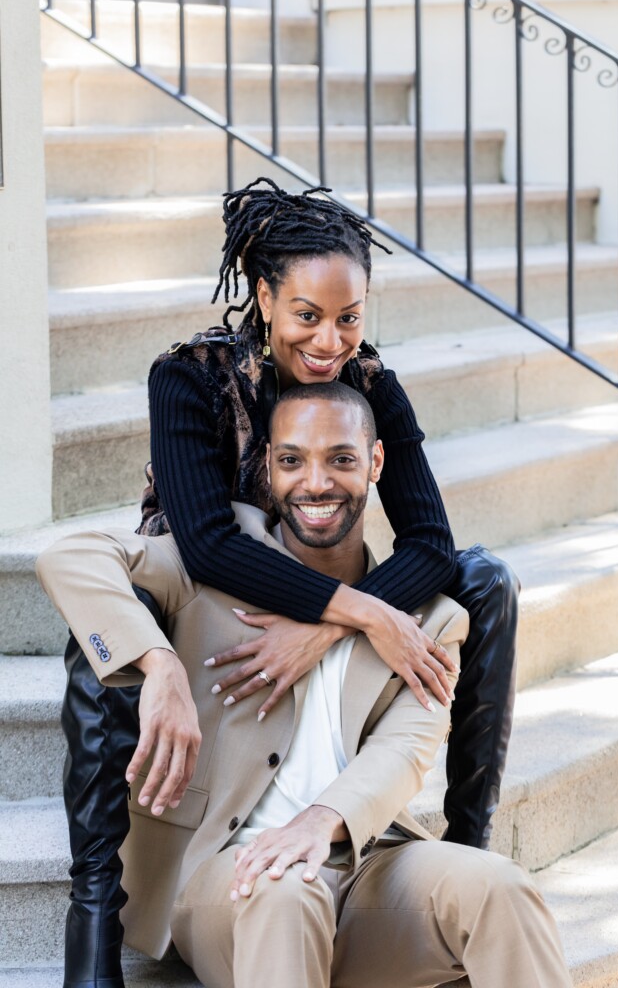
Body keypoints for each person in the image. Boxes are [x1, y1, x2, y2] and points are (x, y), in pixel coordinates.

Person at [56, 178, 518, 988]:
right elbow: (202, 544)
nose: (330, 339)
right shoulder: (190, 376)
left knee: (485, 583)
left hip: (319, 578)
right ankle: (96, 903)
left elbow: (432, 544)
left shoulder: (370, 384)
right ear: (265, 296)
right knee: (105, 633)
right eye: (308, 314)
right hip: (209, 594)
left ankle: (465, 840)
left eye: (349, 317)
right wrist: (166, 661)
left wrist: (333, 624)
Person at [38, 384, 570, 988]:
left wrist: (322, 820)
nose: (315, 483)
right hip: (230, 879)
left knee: (501, 886)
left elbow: (406, 747)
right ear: (268, 465)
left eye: (341, 459)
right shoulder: (212, 568)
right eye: (292, 460)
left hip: (366, 869)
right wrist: (158, 663)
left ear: (375, 463)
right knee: (286, 886)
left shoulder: (426, 621)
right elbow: (70, 557)